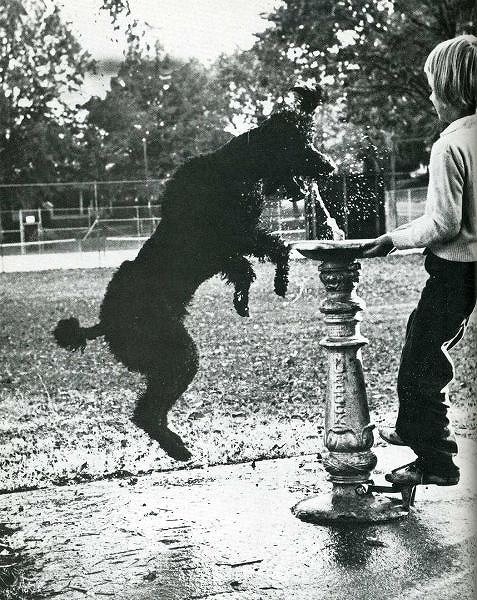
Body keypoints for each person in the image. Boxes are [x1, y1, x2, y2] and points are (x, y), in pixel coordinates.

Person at [363, 35, 477, 486]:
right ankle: (414, 429)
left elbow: (443, 223)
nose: (429, 98)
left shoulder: (450, 146)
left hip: (454, 272)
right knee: (425, 345)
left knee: (421, 360)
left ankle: (435, 459)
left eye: (432, 88)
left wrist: (392, 240)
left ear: (450, 90)